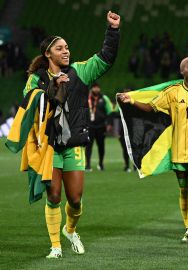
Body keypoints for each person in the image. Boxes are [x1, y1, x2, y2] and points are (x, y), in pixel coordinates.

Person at [21, 11, 120, 258]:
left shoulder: (80, 72)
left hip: (74, 143)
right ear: (48, 54)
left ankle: (70, 230)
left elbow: (106, 57)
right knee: (54, 195)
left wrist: (113, 31)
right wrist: (54, 88)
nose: (66, 51)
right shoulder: (37, 79)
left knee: (75, 199)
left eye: (67, 48)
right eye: (60, 48)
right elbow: (30, 104)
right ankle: (55, 246)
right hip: (49, 145)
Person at [118, 57, 188, 243]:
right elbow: (150, 107)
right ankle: (187, 224)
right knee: (184, 191)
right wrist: (131, 100)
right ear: (182, 71)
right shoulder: (172, 92)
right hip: (179, 149)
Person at [85, 82, 114, 171]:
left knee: (101, 146)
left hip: (101, 126)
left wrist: (109, 124)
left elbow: (110, 111)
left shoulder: (104, 98)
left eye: (98, 87)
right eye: (94, 87)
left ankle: (101, 164)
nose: (96, 89)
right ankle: (88, 165)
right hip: (89, 126)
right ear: (92, 88)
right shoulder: (87, 98)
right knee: (88, 146)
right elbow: (82, 111)